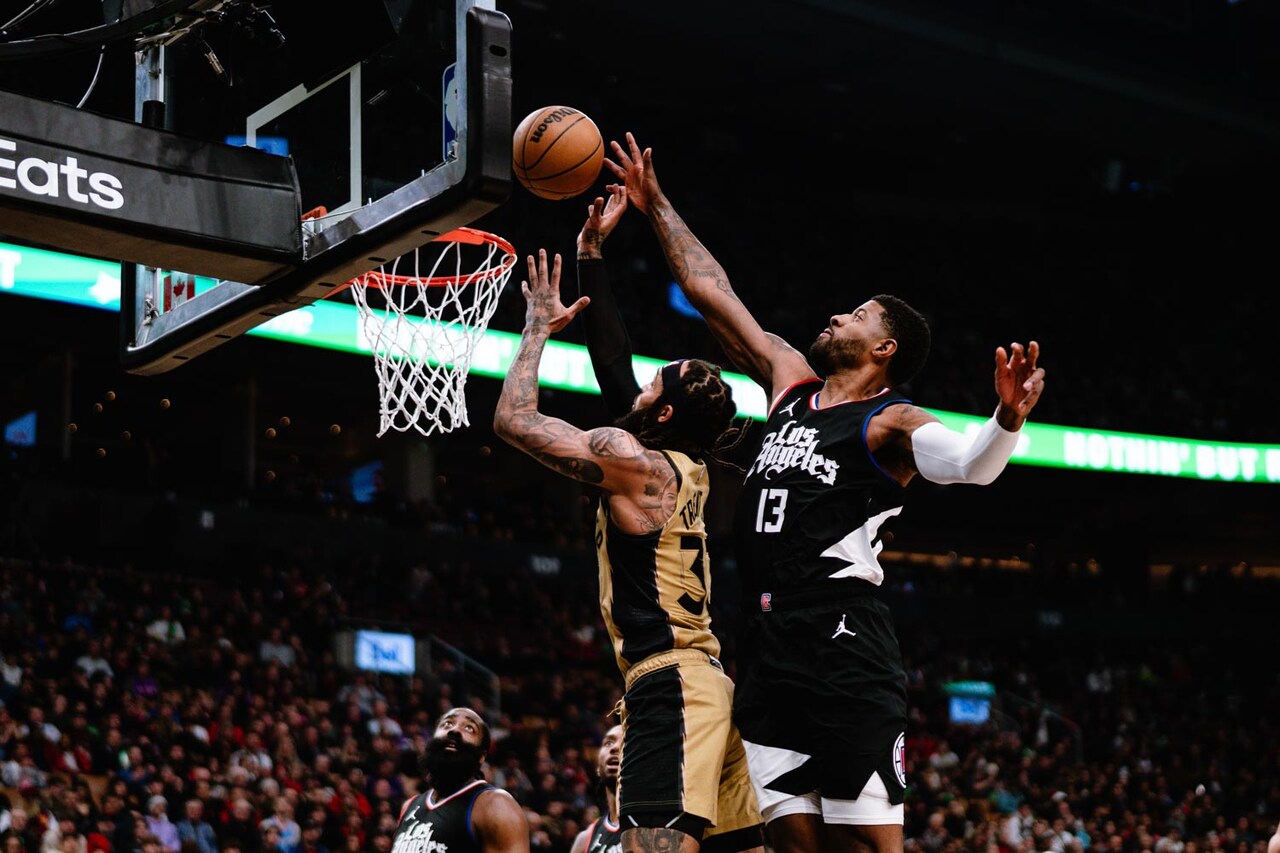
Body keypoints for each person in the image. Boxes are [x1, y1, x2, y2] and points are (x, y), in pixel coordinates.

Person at [605, 131, 1046, 853]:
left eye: (858, 315)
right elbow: (712, 293)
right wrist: (656, 207)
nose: (838, 316)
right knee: (793, 845)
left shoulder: (890, 421)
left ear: (884, 349)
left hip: (844, 641)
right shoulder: (790, 385)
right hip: (767, 645)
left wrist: (1007, 418)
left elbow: (974, 465)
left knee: (864, 845)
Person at [493, 189, 764, 853]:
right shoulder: (688, 467)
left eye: (654, 383)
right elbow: (615, 365)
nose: (639, 384)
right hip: (712, 685)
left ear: (662, 412)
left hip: (671, 683)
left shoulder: (635, 463)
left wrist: (537, 326)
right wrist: (591, 253)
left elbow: (514, 420)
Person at [389, 707, 529, 853]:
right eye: (447, 724)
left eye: (469, 728)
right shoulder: (409, 806)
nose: (454, 730)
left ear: (481, 756)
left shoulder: (495, 805)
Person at [568, 724, 622, 853]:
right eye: (609, 743)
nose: (614, 747)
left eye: (625, 742)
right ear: (598, 768)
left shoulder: (658, 828)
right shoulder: (585, 839)